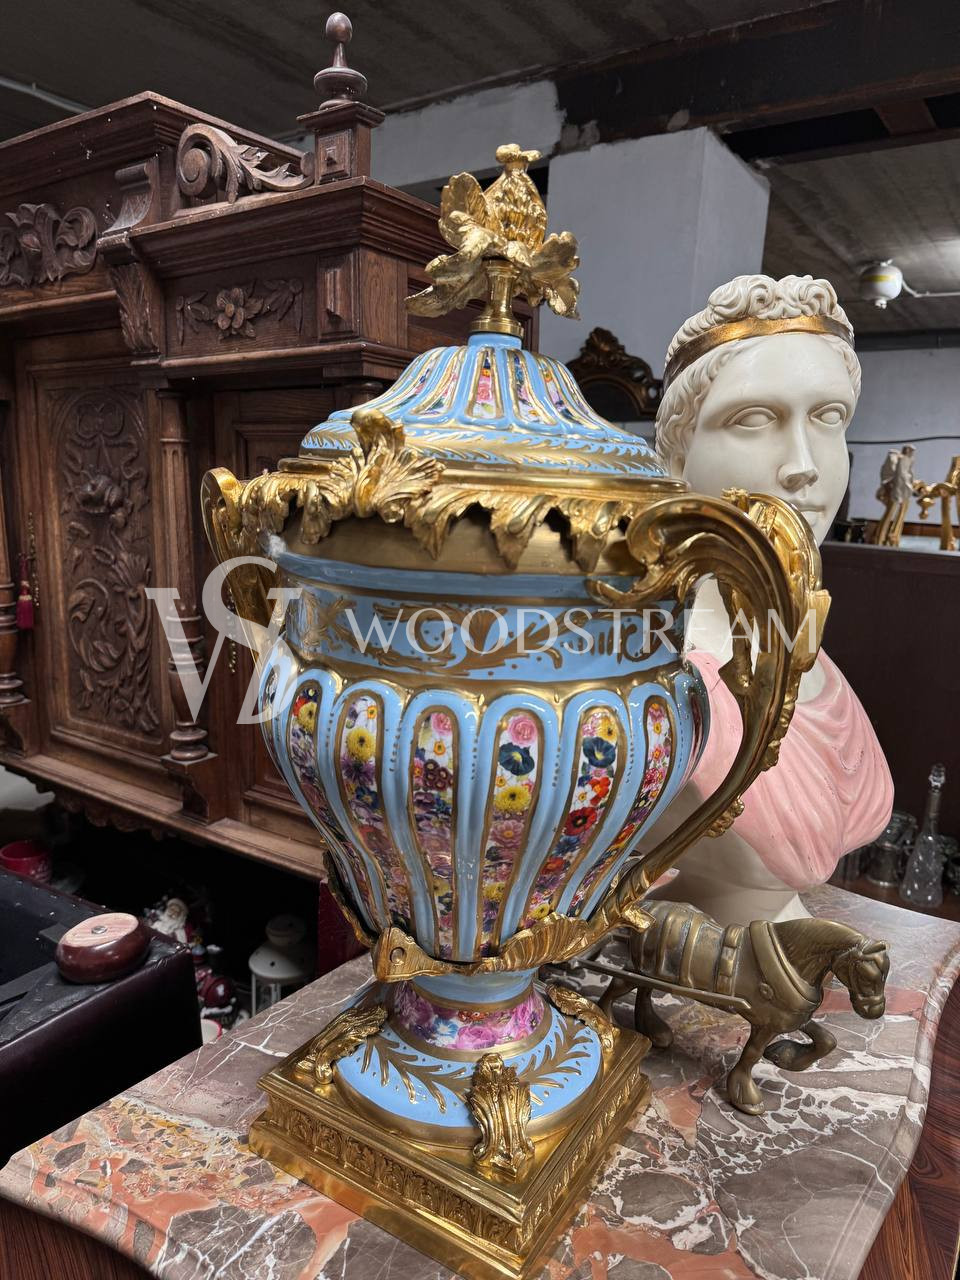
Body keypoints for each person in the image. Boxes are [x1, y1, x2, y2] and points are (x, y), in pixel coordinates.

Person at [644, 274, 893, 924]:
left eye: (829, 418)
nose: (804, 463)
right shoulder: (656, 671)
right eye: (755, 419)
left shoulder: (796, 645)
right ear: (678, 458)